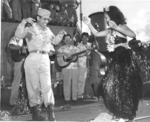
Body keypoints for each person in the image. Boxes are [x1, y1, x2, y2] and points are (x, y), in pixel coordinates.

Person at [83, 6, 143, 122]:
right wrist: (88, 24)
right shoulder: (109, 30)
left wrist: (116, 27)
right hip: (115, 58)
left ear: (113, 16)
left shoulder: (120, 26)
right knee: (109, 84)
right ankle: (118, 111)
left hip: (124, 58)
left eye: (106, 17)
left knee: (123, 86)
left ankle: (126, 113)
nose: (106, 19)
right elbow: (96, 33)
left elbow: (132, 34)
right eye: (105, 18)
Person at [14, 8, 65, 121]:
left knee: (47, 85)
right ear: (38, 18)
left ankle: (51, 113)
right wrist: (23, 22)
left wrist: (60, 35)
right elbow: (18, 35)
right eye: (44, 19)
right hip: (32, 58)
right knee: (34, 87)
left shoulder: (48, 30)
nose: (46, 22)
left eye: (47, 20)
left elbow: (54, 41)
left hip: (45, 58)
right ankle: (36, 114)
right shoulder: (30, 28)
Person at [57, 34, 80, 108]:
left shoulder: (75, 48)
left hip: (75, 67)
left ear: (71, 40)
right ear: (63, 40)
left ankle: (74, 98)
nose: (67, 40)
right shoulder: (61, 48)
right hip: (65, 67)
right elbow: (58, 55)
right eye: (65, 39)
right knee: (66, 83)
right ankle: (67, 99)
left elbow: (79, 55)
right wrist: (66, 54)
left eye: (68, 39)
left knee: (75, 83)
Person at [8, 36, 27, 107]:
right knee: (17, 81)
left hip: (31, 60)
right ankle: (13, 102)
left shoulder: (33, 36)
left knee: (30, 81)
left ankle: (32, 102)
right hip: (19, 60)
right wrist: (20, 47)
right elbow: (10, 46)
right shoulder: (17, 37)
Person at [77, 32, 91, 99]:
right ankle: (79, 94)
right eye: (84, 37)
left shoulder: (90, 45)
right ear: (81, 38)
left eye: (86, 37)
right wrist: (85, 54)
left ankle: (86, 93)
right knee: (81, 80)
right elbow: (78, 54)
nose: (85, 39)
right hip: (81, 64)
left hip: (89, 65)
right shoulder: (79, 46)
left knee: (87, 80)